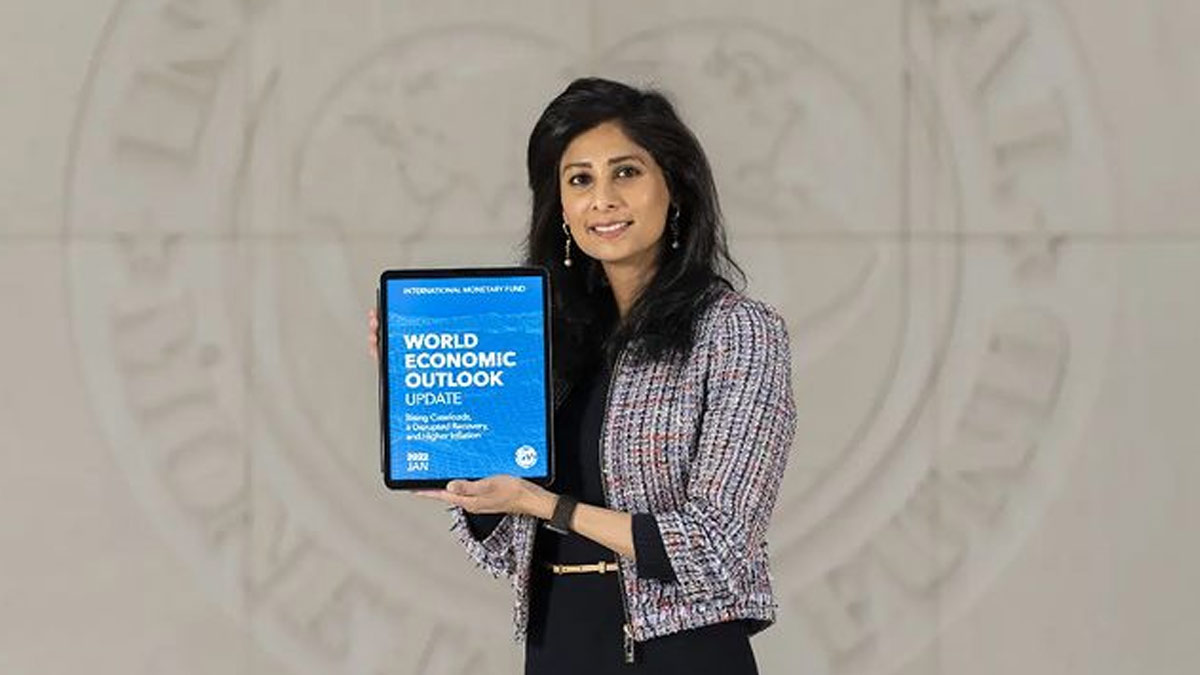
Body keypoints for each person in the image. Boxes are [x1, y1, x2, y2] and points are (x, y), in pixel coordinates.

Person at [368, 77, 796, 674]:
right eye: (580, 180)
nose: (603, 199)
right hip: (559, 645)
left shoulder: (736, 332)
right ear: (561, 207)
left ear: (675, 187)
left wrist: (548, 505)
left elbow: (717, 547)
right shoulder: (547, 340)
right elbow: (508, 545)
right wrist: (428, 390)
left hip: (678, 654)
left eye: (626, 172)